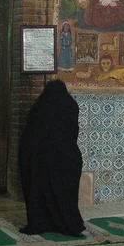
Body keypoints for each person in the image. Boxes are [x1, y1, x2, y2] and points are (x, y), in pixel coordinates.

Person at [18, 79, 85, 237]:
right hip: (66, 157)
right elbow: (73, 131)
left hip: (39, 158)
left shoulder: (40, 106)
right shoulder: (70, 104)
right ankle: (67, 223)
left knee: (39, 190)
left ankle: (40, 222)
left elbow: (30, 135)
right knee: (63, 193)